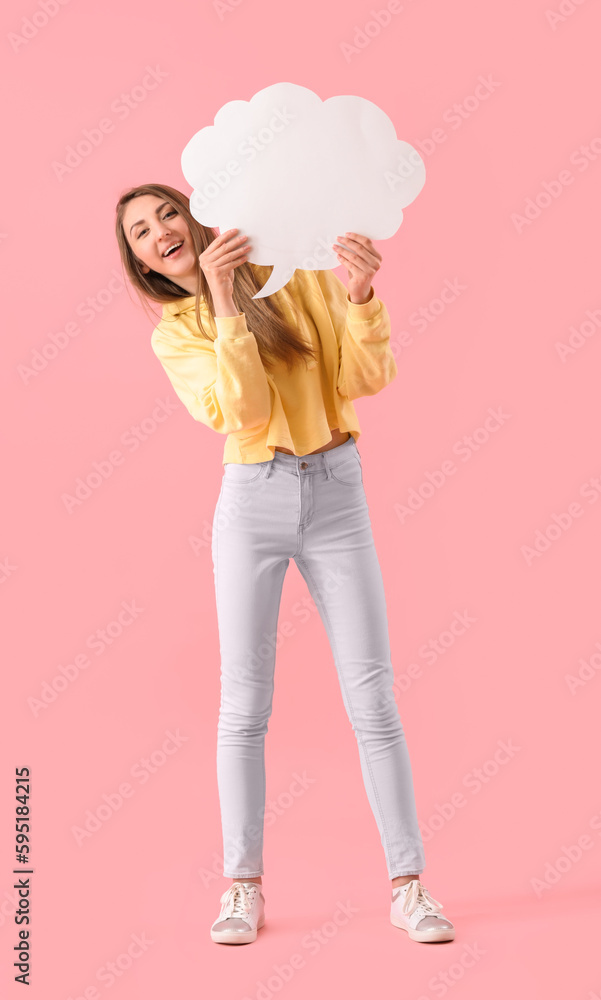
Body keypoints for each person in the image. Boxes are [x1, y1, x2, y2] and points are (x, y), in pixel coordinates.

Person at [116, 183, 456, 946]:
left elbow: (363, 380)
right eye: (141, 232)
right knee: (244, 706)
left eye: (167, 213)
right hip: (252, 501)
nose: (160, 231)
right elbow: (236, 414)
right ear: (141, 261)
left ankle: (409, 887)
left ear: (195, 217)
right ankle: (242, 887)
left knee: (372, 699)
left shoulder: (293, 277)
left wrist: (360, 294)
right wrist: (225, 300)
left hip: (338, 492)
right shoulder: (178, 331)